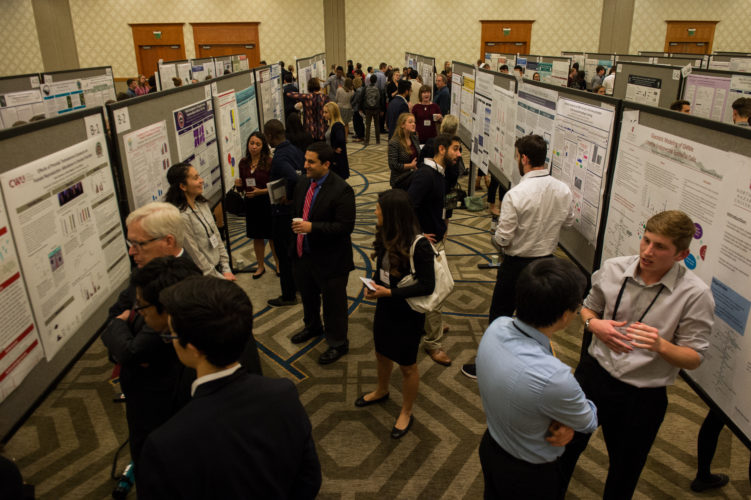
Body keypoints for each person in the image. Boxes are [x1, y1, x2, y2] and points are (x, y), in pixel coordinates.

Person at [559, 210, 715, 499]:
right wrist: (595, 324)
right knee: (563, 449)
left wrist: (661, 346)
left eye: (660, 247)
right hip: (593, 377)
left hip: (642, 397)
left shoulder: (695, 295)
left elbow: (695, 358)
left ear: (681, 255)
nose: (647, 251)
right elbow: (586, 308)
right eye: (646, 240)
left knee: (625, 472)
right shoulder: (613, 268)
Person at [137, 276, 321, 499]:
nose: (171, 339)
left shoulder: (164, 445)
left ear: (193, 348)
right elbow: (309, 479)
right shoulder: (284, 393)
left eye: (172, 333)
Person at [477, 258, 598, 499]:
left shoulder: (497, 326)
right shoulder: (555, 377)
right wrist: (568, 420)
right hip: (529, 474)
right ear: (565, 315)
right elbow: (588, 420)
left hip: (491, 446)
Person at [462, 134, 574, 379]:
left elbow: (503, 238)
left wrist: (495, 239)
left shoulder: (516, 194)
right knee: (537, 320)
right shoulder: (563, 190)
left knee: (499, 317)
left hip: (516, 266)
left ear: (524, 158)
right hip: (547, 263)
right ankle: (532, 370)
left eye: (516, 156)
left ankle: (488, 365)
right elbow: (568, 222)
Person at [101, 204, 199, 465]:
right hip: (141, 390)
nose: (131, 251)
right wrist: (120, 330)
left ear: (168, 241)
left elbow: (133, 351)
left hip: (162, 398)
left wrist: (119, 330)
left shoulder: (182, 282)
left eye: (138, 244)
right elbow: (113, 314)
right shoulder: (146, 268)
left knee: (158, 462)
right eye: (129, 242)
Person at [356, 190, 435, 439]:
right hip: (386, 305)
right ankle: (382, 390)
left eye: (379, 208)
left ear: (391, 213)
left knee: (407, 365)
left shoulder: (419, 245)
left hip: (408, 312)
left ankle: (406, 411)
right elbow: (384, 270)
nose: (375, 211)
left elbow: (427, 285)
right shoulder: (386, 235)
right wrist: (373, 284)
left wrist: (388, 292)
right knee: (381, 352)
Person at [290, 142, 356, 365]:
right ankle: (312, 326)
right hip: (304, 256)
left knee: (333, 305)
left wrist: (312, 228)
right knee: (308, 297)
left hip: (331, 260)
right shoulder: (303, 183)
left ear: (326, 164)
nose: (305, 165)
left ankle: (338, 343)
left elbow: (345, 227)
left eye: (311, 162)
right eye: (305, 160)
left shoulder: (342, 190)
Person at [408, 134, 462, 367]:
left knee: (438, 289)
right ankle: (433, 343)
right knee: (436, 293)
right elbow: (407, 206)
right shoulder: (425, 175)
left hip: (435, 241)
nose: (459, 154)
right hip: (427, 245)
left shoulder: (439, 173)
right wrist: (418, 235)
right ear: (441, 149)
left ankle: (431, 326)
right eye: (456, 149)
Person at [165, 163, 235, 280]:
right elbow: (195, 255)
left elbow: (217, 237)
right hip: (203, 277)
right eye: (196, 178)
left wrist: (226, 268)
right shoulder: (181, 217)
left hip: (218, 269)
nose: (201, 181)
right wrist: (220, 279)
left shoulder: (202, 204)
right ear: (183, 186)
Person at [264, 119, 302, 307]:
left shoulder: (279, 157)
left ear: (270, 136)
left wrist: (288, 195)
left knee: (284, 254)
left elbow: (293, 177)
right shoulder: (293, 149)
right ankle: (297, 286)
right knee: (293, 252)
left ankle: (288, 295)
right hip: (294, 210)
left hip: (282, 213)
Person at [235, 131, 278, 279]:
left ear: (263, 146)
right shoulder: (243, 163)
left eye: (257, 144)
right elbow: (242, 189)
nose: (254, 147)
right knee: (257, 236)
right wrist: (238, 186)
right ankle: (260, 266)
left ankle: (279, 264)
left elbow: (275, 186)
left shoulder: (269, 162)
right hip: (251, 204)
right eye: (251, 143)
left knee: (272, 236)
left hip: (266, 202)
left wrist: (261, 192)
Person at [388, 112, 419, 187]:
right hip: (399, 179)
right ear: (402, 125)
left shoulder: (414, 138)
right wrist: (410, 166)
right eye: (410, 122)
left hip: (413, 176)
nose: (413, 124)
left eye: (414, 122)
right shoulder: (394, 142)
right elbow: (393, 165)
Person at [323, 102, 350, 180]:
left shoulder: (337, 125)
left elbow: (341, 139)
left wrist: (334, 148)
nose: (324, 114)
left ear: (332, 113)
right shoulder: (331, 124)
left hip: (337, 161)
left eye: (326, 112)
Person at [363, 74, 382, 146]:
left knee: (368, 125)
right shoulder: (377, 88)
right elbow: (379, 98)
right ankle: (378, 140)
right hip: (376, 109)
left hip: (368, 109)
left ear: (370, 80)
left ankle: (367, 141)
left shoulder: (366, 88)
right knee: (377, 125)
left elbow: (363, 98)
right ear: (376, 80)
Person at [350, 76, 366, 142]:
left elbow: (355, 100)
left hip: (357, 108)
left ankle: (360, 136)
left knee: (357, 123)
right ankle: (360, 135)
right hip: (360, 108)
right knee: (360, 122)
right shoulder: (362, 89)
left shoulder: (358, 91)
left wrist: (351, 104)